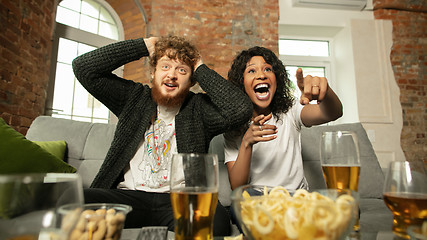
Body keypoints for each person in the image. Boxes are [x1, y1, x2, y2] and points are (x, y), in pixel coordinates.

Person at [72, 36, 253, 236]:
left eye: (182, 70)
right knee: (72, 200)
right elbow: (83, 68)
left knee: (216, 219)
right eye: (165, 67)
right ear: (153, 73)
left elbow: (240, 109)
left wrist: (199, 66)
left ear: (192, 80)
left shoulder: (199, 109)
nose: (172, 75)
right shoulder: (133, 98)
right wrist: (143, 46)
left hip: (180, 200)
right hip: (128, 197)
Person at [224, 46, 343, 229]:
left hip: (298, 198)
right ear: (241, 83)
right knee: (239, 205)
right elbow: (237, 186)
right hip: (259, 199)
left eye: (267, 69)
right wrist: (247, 142)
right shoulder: (234, 128)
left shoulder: (291, 111)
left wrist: (324, 93)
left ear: (276, 79)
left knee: (346, 206)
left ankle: (284, 224)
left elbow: (332, 113)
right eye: (251, 70)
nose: (261, 75)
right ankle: (294, 225)